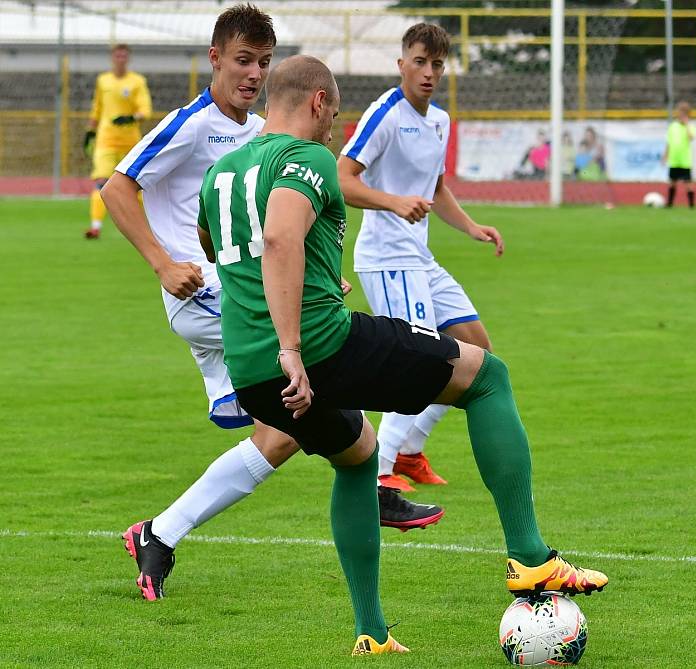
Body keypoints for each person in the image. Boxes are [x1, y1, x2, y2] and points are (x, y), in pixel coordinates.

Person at [197, 53, 608, 656]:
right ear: (316, 103)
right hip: (316, 351)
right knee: (487, 376)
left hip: (252, 373)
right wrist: (292, 343)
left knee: (359, 457)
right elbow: (282, 235)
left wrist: (302, 286)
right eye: (334, 114)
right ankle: (530, 558)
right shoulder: (305, 158)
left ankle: (372, 632)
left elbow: (217, 243)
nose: (334, 128)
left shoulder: (225, 171)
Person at [101, 4, 440, 603]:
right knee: (324, 366)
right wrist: (161, 262)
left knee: (282, 429)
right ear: (214, 60)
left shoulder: (263, 135)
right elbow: (117, 186)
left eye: (262, 62)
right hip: (209, 295)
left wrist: (311, 282)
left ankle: (160, 532)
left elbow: (282, 224)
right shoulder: (192, 124)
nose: (253, 74)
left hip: (243, 294)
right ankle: (374, 486)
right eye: (242, 61)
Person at [337, 24, 504, 492]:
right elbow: (343, 178)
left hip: (419, 257)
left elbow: (435, 188)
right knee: (414, 361)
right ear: (401, 64)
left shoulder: (440, 120)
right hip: (387, 259)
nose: (428, 73)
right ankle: (381, 471)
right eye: (419, 62)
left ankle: (411, 452)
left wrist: (471, 227)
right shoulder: (384, 114)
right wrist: (393, 202)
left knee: (477, 350)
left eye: (436, 65)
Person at [84, 44, 152, 239]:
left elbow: (145, 110)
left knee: (134, 186)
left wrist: (132, 118)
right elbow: (97, 107)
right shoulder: (103, 80)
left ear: (127, 58)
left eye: (124, 56)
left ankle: (144, 228)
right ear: (112, 58)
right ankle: (95, 226)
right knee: (101, 182)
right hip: (105, 140)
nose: (120, 59)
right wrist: (90, 130)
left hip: (131, 142)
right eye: (117, 55)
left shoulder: (137, 81)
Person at [664, 100, 696, 208]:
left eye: (684, 113)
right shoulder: (673, 126)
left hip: (685, 160)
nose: (681, 115)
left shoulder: (690, 126)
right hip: (674, 159)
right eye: (680, 112)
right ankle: (669, 204)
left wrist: (686, 125)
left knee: (688, 183)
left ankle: (691, 205)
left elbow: (691, 137)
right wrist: (665, 155)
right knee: (672, 182)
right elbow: (669, 142)